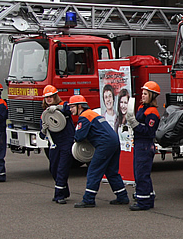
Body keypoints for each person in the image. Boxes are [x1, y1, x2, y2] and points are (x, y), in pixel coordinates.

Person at [69, 95, 130, 208]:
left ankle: (89, 199)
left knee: (94, 170)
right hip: (114, 141)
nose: (70, 109)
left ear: (80, 106)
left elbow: (79, 136)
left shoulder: (84, 116)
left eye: (72, 107)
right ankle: (122, 196)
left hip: (104, 144)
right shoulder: (92, 114)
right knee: (111, 171)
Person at [126, 81, 161, 211]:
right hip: (139, 143)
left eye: (146, 94)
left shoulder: (152, 112)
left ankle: (143, 202)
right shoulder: (142, 108)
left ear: (152, 95)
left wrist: (135, 125)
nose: (143, 96)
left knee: (141, 174)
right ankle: (148, 197)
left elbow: (149, 131)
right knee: (140, 172)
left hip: (145, 145)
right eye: (143, 93)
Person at [40, 85, 75, 204]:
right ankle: (64, 191)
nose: (49, 99)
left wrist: (57, 108)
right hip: (54, 144)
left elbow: (68, 110)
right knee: (53, 168)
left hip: (66, 141)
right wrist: (43, 130)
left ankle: (59, 195)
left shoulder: (64, 106)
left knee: (62, 168)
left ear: (56, 96)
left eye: (51, 97)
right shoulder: (45, 114)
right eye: (46, 97)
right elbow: (41, 135)